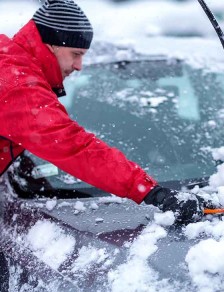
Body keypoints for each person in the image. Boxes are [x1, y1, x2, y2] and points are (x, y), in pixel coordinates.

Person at [0, 0, 212, 223]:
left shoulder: (8, 63)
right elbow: (74, 147)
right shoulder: (18, 86)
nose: (79, 65)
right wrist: (153, 192)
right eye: (76, 53)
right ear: (52, 44)